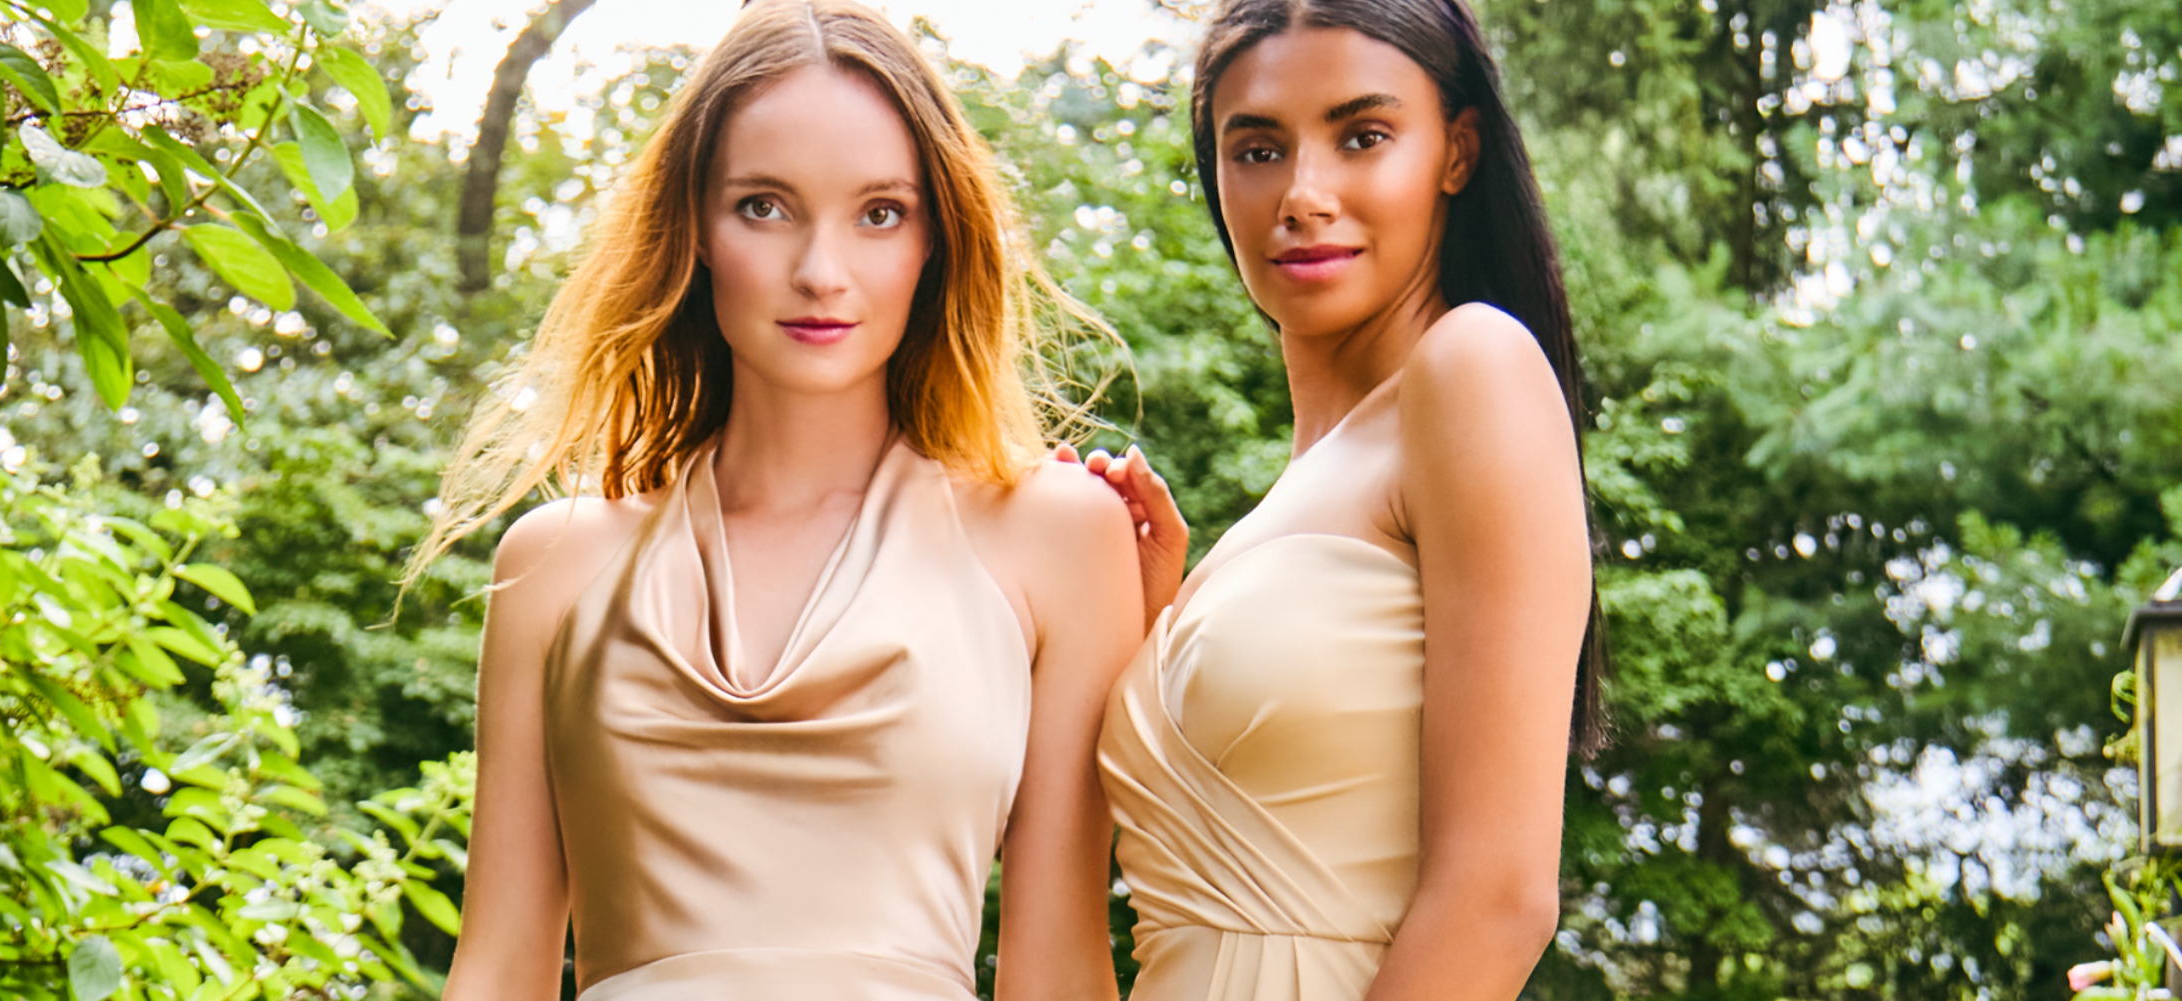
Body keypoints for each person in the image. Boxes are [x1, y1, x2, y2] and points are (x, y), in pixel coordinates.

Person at [411, 3, 1145, 999]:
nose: (820, 272)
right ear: (696, 228)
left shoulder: (1057, 535)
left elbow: (1057, 963)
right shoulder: (554, 563)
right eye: (765, 205)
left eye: (879, 212)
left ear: (936, 238)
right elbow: (496, 967)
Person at [1068, 0, 1609, 998]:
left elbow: (1499, 896)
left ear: (1457, 150)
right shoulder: (1284, 499)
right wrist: (1155, 627)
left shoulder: (1469, 368)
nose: (1303, 195)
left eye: (1362, 136)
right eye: (1258, 148)